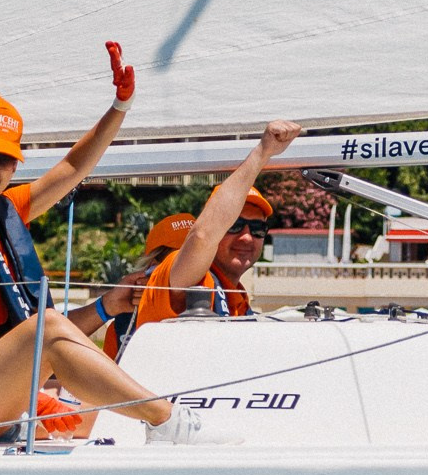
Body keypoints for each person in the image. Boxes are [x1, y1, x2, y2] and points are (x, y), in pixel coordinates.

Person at [0, 49, 191, 444]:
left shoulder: (1, 213)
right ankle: (170, 420)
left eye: (2, 160)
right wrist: (34, 399)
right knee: (48, 329)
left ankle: (162, 428)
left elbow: (72, 169)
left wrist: (120, 106)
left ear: (15, 166)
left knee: (98, 425)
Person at [126, 123, 304, 327]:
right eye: (235, 225)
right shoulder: (187, 277)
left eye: (257, 229)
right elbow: (202, 236)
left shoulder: (236, 296)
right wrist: (264, 151)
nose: (247, 237)